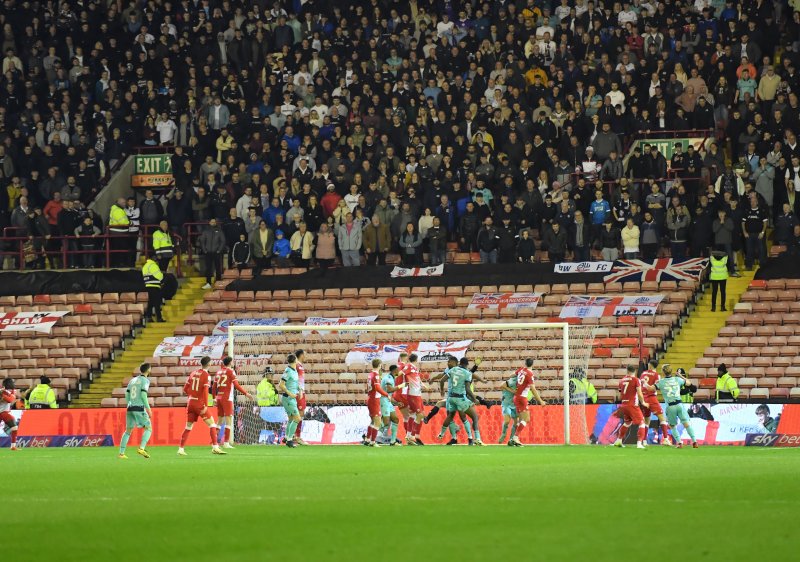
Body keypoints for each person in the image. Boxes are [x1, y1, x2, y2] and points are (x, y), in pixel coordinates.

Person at [178, 356, 225, 456]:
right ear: (209, 364)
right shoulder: (206, 375)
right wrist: (205, 405)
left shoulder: (193, 373)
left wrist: (193, 395)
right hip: (199, 404)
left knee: (188, 427)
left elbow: (185, 389)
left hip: (190, 403)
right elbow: (205, 391)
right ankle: (215, 447)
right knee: (212, 424)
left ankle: (181, 449)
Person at [433, 355, 484, 446]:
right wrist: (474, 399)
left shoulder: (453, 370)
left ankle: (441, 434)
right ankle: (477, 439)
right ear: (467, 365)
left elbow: (441, 380)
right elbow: (468, 389)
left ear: (460, 363)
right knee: (474, 417)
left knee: (450, 416)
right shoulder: (467, 373)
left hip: (451, 398)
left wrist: (441, 390)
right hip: (460, 399)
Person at [651, 364, 699, 448]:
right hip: (680, 404)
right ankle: (695, 441)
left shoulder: (661, 382)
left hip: (670, 406)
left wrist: (647, 384)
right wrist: (681, 376)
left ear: (663, 372)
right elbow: (689, 384)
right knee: (686, 424)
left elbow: (652, 388)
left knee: (672, 426)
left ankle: (680, 443)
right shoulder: (677, 379)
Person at [213, 356, 253, 449]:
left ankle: (214, 442)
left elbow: (214, 386)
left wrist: (214, 398)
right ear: (230, 362)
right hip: (227, 398)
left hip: (219, 397)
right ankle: (226, 443)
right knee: (228, 420)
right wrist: (246, 393)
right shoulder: (231, 371)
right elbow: (236, 385)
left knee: (219, 420)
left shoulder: (218, 372)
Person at [118, 363, 154, 459]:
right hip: (139, 407)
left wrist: (130, 403)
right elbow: (143, 395)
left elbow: (127, 393)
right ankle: (141, 448)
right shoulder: (145, 380)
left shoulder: (132, 380)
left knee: (128, 431)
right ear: (148, 370)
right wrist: (148, 409)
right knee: (148, 428)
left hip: (130, 407)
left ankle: (121, 453)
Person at [510, 358, 545, 446]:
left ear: (525, 363)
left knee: (521, 419)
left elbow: (511, 375)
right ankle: (515, 437)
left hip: (516, 397)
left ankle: (513, 438)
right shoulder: (530, 374)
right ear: (532, 364)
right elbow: (533, 389)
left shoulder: (521, 369)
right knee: (526, 419)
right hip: (522, 398)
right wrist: (540, 401)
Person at [613, 365, 647, 449]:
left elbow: (620, 394)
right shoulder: (636, 380)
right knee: (642, 423)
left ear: (627, 371)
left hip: (624, 405)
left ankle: (618, 441)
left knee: (627, 423)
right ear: (635, 371)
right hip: (632, 405)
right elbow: (639, 393)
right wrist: (643, 402)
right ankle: (639, 444)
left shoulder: (621, 380)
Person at [639, 359, 672, 445]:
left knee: (646, 420)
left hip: (643, 398)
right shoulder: (657, 375)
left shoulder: (643, 373)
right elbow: (656, 387)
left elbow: (639, 385)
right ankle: (665, 439)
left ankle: (644, 441)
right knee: (662, 418)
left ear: (650, 365)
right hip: (651, 397)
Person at [278, 354, 302, 448]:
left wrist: (299, 390)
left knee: (291, 418)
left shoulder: (294, 370)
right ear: (295, 360)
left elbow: (295, 382)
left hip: (292, 398)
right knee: (297, 418)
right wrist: (289, 393)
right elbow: (281, 384)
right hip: (288, 398)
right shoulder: (288, 371)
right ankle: (289, 440)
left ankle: (286, 437)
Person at [402, 353, 426, 446]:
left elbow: (417, 378)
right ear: (416, 359)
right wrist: (401, 384)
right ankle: (412, 436)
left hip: (417, 394)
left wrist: (422, 384)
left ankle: (408, 436)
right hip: (413, 394)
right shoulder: (408, 366)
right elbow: (400, 373)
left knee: (413, 415)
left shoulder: (415, 368)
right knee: (419, 415)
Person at [365, 358, 389, 447]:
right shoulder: (376, 375)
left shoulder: (370, 374)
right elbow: (377, 388)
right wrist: (387, 395)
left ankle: (367, 439)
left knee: (373, 421)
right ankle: (373, 442)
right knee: (378, 422)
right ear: (379, 365)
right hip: (374, 400)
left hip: (371, 398)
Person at [198, 217, 226, 288]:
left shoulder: (219, 231)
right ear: (209, 223)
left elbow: (223, 241)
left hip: (216, 252)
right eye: (212, 222)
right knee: (208, 268)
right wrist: (205, 250)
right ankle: (208, 283)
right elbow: (202, 241)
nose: (213, 223)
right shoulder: (206, 231)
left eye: (214, 222)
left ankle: (218, 282)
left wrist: (219, 250)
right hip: (208, 253)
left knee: (218, 268)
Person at [380, 365, 403, 446]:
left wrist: (396, 403)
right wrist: (402, 385)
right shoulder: (388, 378)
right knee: (386, 422)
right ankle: (370, 436)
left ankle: (393, 441)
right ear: (395, 370)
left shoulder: (392, 378)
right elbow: (389, 389)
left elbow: (389, 394)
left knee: (395, 419)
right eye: (398, 369)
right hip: (383, 400)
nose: (399, 371)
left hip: (388, 401)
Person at [108, 197, 130, 267]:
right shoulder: (118, 210)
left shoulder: (116, 209)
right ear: (119, 203)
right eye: (123, 202)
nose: (125, 204)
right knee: (120, 250)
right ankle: (119, 264)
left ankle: (117, 264)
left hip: (117, 233)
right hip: (118, 233)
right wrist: (130, 223)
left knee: (117, 250)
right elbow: (123, 221)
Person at [141, 256, 164, 322]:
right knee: (157, 302)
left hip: (148, 285)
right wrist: (162, 279)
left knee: (150, 302)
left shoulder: (145, 266)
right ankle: (159, 318)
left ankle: (149, 317)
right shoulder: (153, 265)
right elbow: (159, 275)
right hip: (154, 285)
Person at [498, 374, 519, 446]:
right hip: (506, 403)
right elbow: (501, 385)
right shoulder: (514, 380)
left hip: (514, 404)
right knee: (507, 421)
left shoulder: (523, 383)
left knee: (516, 423)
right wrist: (512, 391)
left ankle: (511, 439)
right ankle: (503, 434)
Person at [0, 378, 19, 450]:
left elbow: (10, 399)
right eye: (13, 382)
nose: (14, 384)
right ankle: (13, 446)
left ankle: (13, 446)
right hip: (3, 412)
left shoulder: (6, 392)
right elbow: (9, 400)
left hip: (4, 412)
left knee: (14, 428)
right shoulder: (3, 392)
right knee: (14, 428)